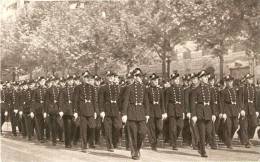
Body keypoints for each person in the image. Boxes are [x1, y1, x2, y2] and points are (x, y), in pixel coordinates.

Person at [122, 68, 149, 160]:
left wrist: (147, 114)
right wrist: (124, 114)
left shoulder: (143, 87)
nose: (139, 78)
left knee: (143, 131)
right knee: (133, 134)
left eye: (140, 76)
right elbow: (125, 101)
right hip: (131, 113)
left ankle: (137, 148)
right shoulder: (129, 87)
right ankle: (134, 152)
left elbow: (146, 101)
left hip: (141, 112)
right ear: (134, 77)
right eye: (137, 76)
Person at [190, 70, 216, 157]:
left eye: (206, 77)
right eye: (204, 77)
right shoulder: (195, 90)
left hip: (208, 112)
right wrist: (194, 115)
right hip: (200, 113)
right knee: (202, 133)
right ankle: (203, 151)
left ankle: (199, 144)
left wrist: (213, 114)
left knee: (209, 132)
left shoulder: (210, 89)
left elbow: (212, 102)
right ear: (200, 78)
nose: (206, 78)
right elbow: (193, 104)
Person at [99, 71, 122, 152]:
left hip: (116, 109)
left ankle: (114, 141)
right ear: (106, 77)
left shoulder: (118, 87)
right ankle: (110, 145)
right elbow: (101, 100)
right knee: (108, 128)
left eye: (112, 76)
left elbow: (120, 100)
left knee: (118, 126)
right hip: (107, 109)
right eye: (109, 76)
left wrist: (121, 110)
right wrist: (101, 111)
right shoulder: (103, 88)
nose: (111, 78)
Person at [74, 71, 97, 151]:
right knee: (83, 129)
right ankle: (84, 145)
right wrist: (76, 111)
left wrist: (95, 111)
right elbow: (75, 100)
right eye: (85, 77)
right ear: (82, 78)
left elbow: (94, 100)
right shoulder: (78, 87)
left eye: (88, 77)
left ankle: (88, 141)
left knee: (92, 127)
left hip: (91, 109)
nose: (87, 79)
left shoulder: (92, 87)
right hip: (82, 110)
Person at [165, 71, 185, 150]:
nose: (176, 81)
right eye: (174, 79)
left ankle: (173, 139)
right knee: (173, 128)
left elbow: (183, 101)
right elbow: (166, 101)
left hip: (179, 109)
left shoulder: (181, 89)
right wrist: (165, 112)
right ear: (172, 81)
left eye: (177, 79)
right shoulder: (168, 90)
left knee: (180, 126)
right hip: (172, 109)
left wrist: (183, 111)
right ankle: (174, 144)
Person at [147, 73, 166, 151]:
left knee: (159, 128)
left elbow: (162, 102)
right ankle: (153, 144)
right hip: (151, 110)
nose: (156, 82)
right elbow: (146, 102)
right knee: (151, 128)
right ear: (151, 81)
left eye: (157, 80)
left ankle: (155, 139)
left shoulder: (160, 90)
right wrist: (147, 113)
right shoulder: (147, 90)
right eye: (154, 80)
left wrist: (164, 112)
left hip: (158, 110)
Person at [238, 73, 259, 148]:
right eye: (249, 79)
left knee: (254, 124)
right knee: (244, 125)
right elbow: (239, 100)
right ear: (246, 80)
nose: (251, 80)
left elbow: (256, 100)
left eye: (251, 78)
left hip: (252, 108)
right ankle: (246, 142)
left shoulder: (254, 88)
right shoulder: (242, 88)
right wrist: (241, 109)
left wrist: (257, 110)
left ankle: (245, 135)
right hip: (245, 109)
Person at [220, 75, 240, 149]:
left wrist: (238, 111)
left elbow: (237, 101)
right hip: (227, 110)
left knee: (235, 126)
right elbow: (222, 103)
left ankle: (228, 139)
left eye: (231, 81)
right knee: (228, 127)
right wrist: (223, 113)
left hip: (234, 110)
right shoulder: (223, 91)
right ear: (226, 82)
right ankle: (228, 143)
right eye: (228, 82)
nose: (230, 83)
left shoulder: (235, 90)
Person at [59, 76, 75, 148]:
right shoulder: (63, 90)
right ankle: (67, 143)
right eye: (69, 80)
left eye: (72, 80)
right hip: (66, 111)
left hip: (74, 110)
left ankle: (71, 140)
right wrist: (61, 110)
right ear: (67, 81)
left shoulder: (75, 88)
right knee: (67, 127)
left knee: (74, 126)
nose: (71, 81)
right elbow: (61, 100)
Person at [45, 77, 60, 146]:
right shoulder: (49, 90)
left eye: (55, 81)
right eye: (52, 81)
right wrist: (48, 110)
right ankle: (54, 140)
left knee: (59, 124)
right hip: (52, 110)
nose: (54, 83)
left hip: (59, 109)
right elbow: (47, 101)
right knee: (53, 125)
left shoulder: (59, 89)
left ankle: (57, 137)